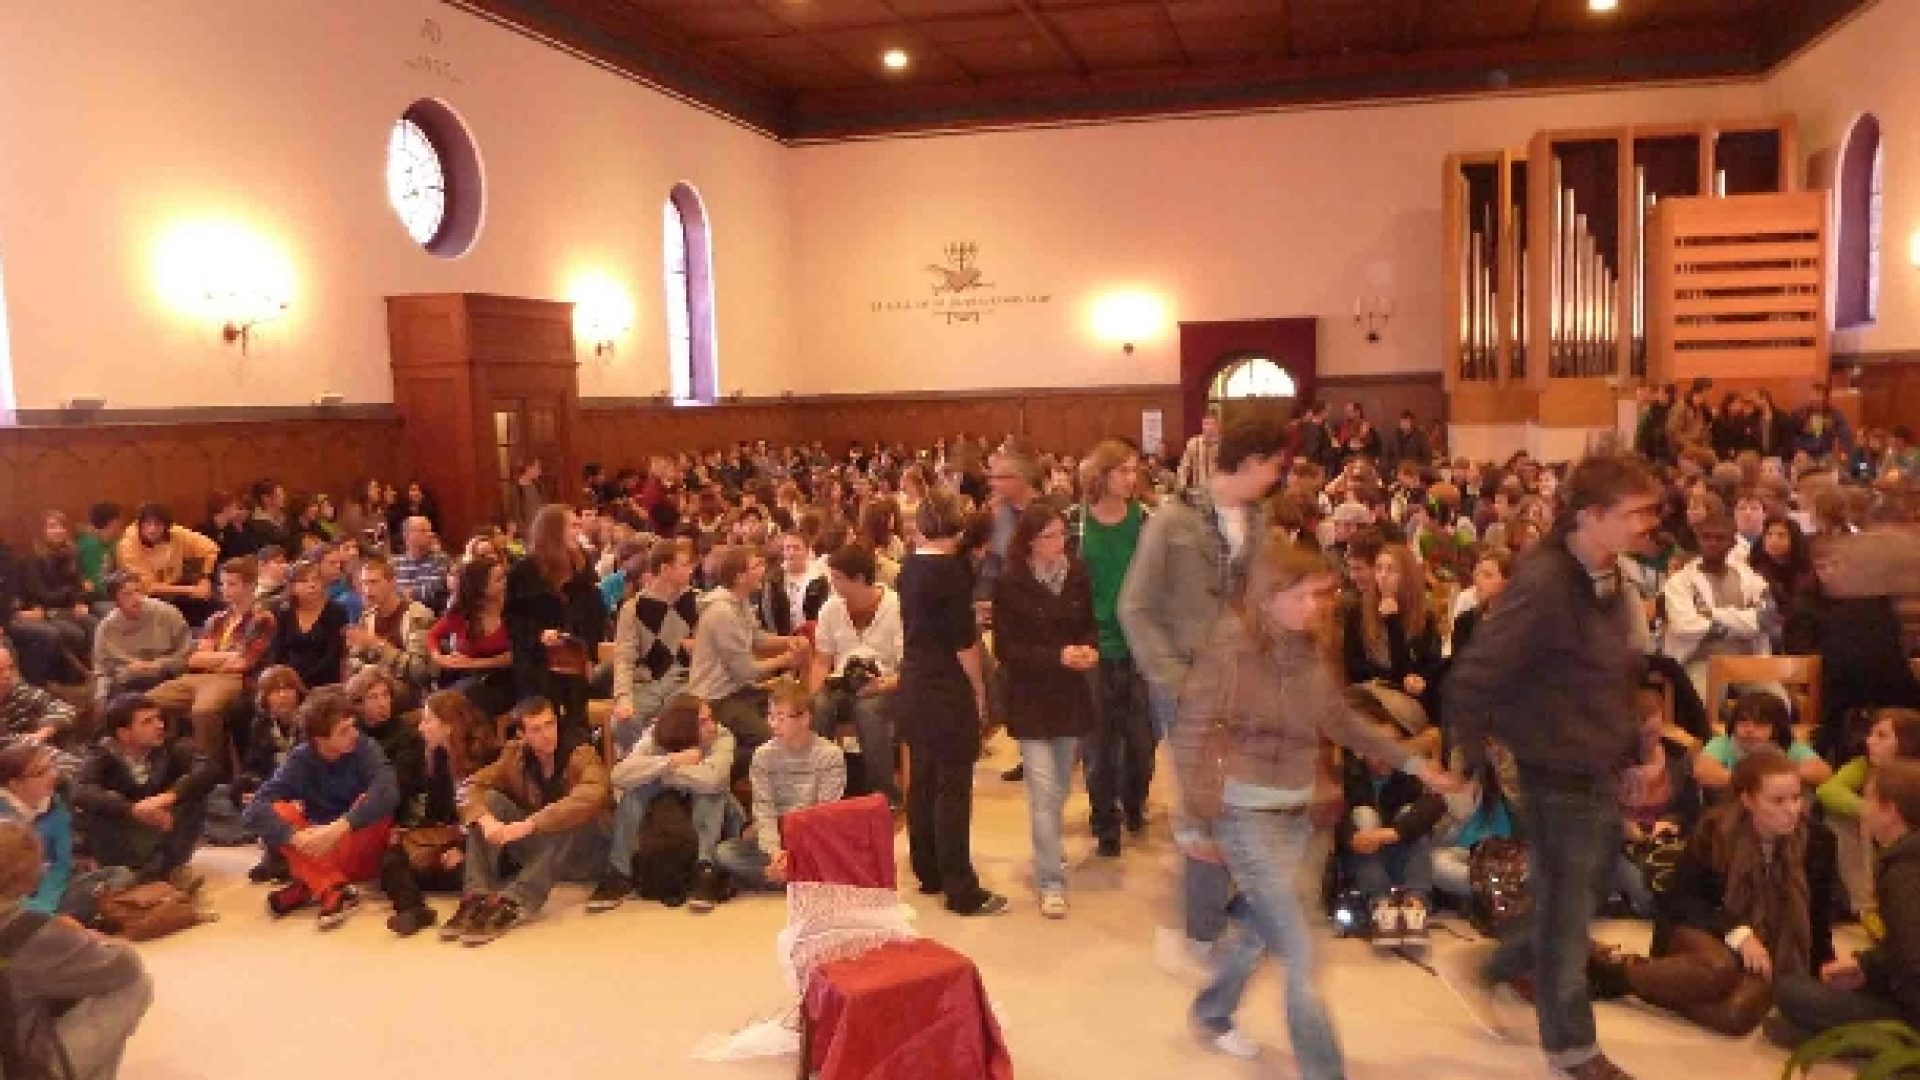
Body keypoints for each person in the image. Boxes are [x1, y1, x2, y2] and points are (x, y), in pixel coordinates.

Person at [1172, 535, 1459, 1067]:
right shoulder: (1230, 647)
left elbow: (1343, 722)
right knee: (1301, 952)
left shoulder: (1310, 647)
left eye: (1320, 596)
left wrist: (1417, 765)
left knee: (1261, 930)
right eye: (1302, 596)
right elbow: (1190, 730)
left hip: (1299, 819)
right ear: (1268, 595)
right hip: (1243, 815)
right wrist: (1190, 823)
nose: (1315, 608)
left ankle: (1213, 1011)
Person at [1445, 453, 1662, 1080]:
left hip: (1594, 761)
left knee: (1585, 892)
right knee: (1568, 915)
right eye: (1635, 513)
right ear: (1590, 517)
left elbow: (1613, 676)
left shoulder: (1610, 576)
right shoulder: (1543, 583)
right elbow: (1476, 674)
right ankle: (1573, 1050)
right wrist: (1468, 759)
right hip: (1551, 767)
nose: (1648, 524)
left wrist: (1632, 752)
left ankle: (1501, 962)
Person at [1118, 416, 1283, 972]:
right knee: (1205, 804)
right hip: (1189, 688)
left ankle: (1229, 907)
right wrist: (1176, 680)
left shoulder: (1262, 522)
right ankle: (1204, 928)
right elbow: (1134, 608)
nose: (1277, 476)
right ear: (1251, 461)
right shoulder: (1171, 521)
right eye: (1274, 465)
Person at [1588, 749, 1837, 1037]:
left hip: (1770, 948)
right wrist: (1739, 933)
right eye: (1778, 801)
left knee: (1737, 1013)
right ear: (1747, 799)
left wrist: (1825, 968)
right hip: (1702, 928)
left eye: (1797, 797)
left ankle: (1642, 976)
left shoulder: (1819, 842)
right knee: (1719, 969)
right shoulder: (1714, 830)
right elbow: (1679, 901)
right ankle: (1614, 975)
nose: (1793, 809)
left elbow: (1817, 915)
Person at [898, 490, 1007, 917]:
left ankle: (928, 871)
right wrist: (979, 690)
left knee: (922, 782)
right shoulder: (950, 573)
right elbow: (965, 643)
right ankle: (961, 888)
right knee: (953, 790)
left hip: (914, 679)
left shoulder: (909, 565)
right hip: (946, 684)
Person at [993, 504, 1097, 918]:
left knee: (1058, 789)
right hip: (1031, 696)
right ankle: (1050, 880)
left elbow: (1088, 624)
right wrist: (1058, 656)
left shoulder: (1078, 574)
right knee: (1041, 790)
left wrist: (1087, 649)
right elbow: (1006, 649)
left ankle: (1048, 849)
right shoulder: (1010, 583)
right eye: (1051, 535)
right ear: (1031, 542)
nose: (1061, 543)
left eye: (1062, 535)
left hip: (1070, 694)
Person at [1770, 758, 1920, 1043]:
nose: (1863, 809)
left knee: (1789, 991)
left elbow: (1913, 962)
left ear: (1891, 811)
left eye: (1868, 800)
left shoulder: (1905, 871)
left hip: (1911, 1012)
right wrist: (1865, 967)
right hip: (1901, 984)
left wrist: (1874, 976)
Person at [0, 819, 154, 1080]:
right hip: (18, 1066)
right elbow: (125, 967)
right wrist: (86, 940)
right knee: (137, 984)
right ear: (28, 876)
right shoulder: (30, 933)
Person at [451, 696, 609, 944]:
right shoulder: (515, 757)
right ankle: (477, 896)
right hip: (541, 851)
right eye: (537, 729)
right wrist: (485, 820)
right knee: (489, 801)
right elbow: (469, 787)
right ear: (522, 735)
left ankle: (514, 902)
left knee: (569, 815)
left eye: (550, 724)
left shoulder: (582, 753)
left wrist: (532, 823)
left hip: (585, 852)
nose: (547, 734)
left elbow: (592, 794)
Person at [241, 686, 399, 928]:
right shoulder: (301, 759)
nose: (354, 734)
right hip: (317, 846)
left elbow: (388, 792)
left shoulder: (365, 748)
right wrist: (293, 837)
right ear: (320, 739)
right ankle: (331, 887)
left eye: (353, 725)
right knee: (280, 810)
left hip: (357, 838)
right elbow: (254, 809)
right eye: (344, 731)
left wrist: (339, 827)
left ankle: (313, 884)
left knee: (370, 800)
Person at [1074, 438, 1154, 855]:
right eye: (1122, 470)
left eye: (1134, 469)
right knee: (1098, 745)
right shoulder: (1078, 524)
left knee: (1141, 741)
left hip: (1140, 648)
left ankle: (1134, 800)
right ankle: (1105, 820)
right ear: (1100, 476)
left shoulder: (1145, 521)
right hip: (1095, 647)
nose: (1131, 477)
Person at [594, 694, 738, 912]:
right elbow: (619, 775)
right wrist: (671, 761)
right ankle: (618, 872)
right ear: (682, 727)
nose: (712, 726)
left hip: (720, 813)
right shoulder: (654, 736)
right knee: (635, 790)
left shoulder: (722, 735)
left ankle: (705, 869)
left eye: (711, 718)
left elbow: (715, 779)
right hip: (671, 809)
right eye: (703, 721)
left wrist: (663, 775)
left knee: (709, 791)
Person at [379, 690, 496, 936]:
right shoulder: (436, 759)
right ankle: (412, 909)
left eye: (427, 720)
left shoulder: (486, 758)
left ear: (449, 726)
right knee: (391, 859)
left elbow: (492, 814)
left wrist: (463, 849)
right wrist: (410, 831)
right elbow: (437, 815)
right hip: (451, 838)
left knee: (462, 869)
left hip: (486, 843)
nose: (421, 728)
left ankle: (477, 900)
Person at [72, 694, 217, 891]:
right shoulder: (101, 754)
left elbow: (207, 768)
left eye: (158, 718)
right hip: (124, 832)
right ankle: (135, 873)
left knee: (196, 794)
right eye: (147, 722)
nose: (159, 725)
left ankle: (169, 869)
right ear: (124, 734)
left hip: (161, 822)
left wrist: (169, 796)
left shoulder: (170, 745)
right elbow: (81, 790)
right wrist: (132, 809)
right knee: (99, 806)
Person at [713, 679, 846, 893]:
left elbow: (824, 814)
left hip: (811, 837)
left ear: (804, 718)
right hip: (776, 836)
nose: (773, 724)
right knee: (725, 852)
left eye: (781, 718)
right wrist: (775, 852)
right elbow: (764, 811)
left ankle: (782, 877)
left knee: (838, 851)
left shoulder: (829, 755)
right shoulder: (763, 755)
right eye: (770, 716)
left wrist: (793, 851)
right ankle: (797, 878)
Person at [687, 545, 809, 777]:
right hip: (716, 698)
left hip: (739, 691)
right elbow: (746, 670)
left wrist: (789, 641)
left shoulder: (739, 602)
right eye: (756, 566)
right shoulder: (722, 611)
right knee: (771, 737)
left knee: (796, 712)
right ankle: (716, 769)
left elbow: (756, 638)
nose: (763, 569)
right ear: (740, 577)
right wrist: (786, 659)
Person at [148, 556, 275, 771]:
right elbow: (196, 659)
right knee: (148, 702)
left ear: (251, 586)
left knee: (203, 711)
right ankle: (164, 764)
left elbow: (243, 663)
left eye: (232, 584)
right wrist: (227, 656)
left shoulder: (262, 618)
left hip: (235, 680)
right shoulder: (217, 619)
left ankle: (208, 772)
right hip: (202, 676)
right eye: (222, 583)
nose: (224, 589)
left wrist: (217, 658)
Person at [808, 542, 904, 804]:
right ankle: (819, 789)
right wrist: (811, 696)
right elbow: (821, 661)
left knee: (869, 709)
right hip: (842, 684)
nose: (833, 583)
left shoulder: (896, 607)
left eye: (838, 578)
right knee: (818, 706)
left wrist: (881, 685)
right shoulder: (831, 609)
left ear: (860, 579)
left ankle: (882, 794)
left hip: (888, 686)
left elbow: (909, 666)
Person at [0, 741, 130, 921]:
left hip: (54, 890)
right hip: (13, 904)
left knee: (119, 874)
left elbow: (61, 864)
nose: (53, 775)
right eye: (41, 773)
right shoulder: (5, 823)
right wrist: (40, 912)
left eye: (51, 768)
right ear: (14, 784)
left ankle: (66, 921)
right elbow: (7, 885)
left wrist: (49, 903)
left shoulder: (54, 804)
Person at [504, 505, 606, 735]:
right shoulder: (524, 571)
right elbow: (512, 619)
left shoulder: (581, 565)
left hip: (574, 659)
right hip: (537, 661)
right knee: (543, 714)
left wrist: (589, 654)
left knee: (576, 720)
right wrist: (539, 635)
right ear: (553, 530)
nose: (577, 531)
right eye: (572, 525)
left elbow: (594, 615)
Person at [1815, 708, 1920, 920]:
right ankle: (1865, 905)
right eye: (1871, 734)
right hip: (1877, 839)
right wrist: (1869, 811)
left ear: (1906, 741)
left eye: (1881, 735)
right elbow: (1826, 790)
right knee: (1840, 819)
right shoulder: (1862, 766)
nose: (1870, 741)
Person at [1612, 680, 1705, 918]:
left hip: (1666, 840)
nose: (1649, 741)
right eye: (1641, 735)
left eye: (1655, 732)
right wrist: (1621, 826)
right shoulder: (1607, 760)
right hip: (1619, 845)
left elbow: (1692, 810)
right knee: (1638, 883)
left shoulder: (1678, 756)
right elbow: (1593, 810)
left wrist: (1671, 821)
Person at [1661, 512, 1774, 705]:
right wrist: (1743, 623)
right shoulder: (1679, 582)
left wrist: (1712, 615)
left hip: (1746, 660)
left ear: (1732, 543)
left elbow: (1766, 619)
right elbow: (1684, 627)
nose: (1712, 543)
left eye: (1720, 538)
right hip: (1700, 660)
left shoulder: (1751, 579)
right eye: (1706, 537)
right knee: (1701, 705)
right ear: (1698, 540)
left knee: (1778, 705)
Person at [610, 540, 700, 752]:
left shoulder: (696, 601)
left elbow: (708, 648)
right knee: (622, 723)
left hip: (684, 682)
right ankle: (648, 769)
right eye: (685, 564)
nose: (691, 569)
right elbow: (624, 658)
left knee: (677, 722)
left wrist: (698, 646)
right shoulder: (633, 608)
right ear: (666, 569)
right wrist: (623, 697)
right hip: (647, 683)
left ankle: (663, 769)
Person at [428, 555, 516, 720]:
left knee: (458, 701)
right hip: (470, 677)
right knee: (446, 702)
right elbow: (433, 635)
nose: (506, 582)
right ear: (481, 588)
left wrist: (472, 662)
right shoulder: (463, 612)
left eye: (504, 576)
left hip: (506, 679)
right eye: (499, 579)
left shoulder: (513, 611)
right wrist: (439, 657)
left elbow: (516, 655)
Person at [345, 553, 437, 707]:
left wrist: (379, 645)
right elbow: (354, 660)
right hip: (373, 685)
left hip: (410, 690)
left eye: (373, 582)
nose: (367, 590)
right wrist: (371, 671)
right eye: (363, 584)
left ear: (391, 583)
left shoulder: (418, 615)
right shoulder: (367, 617)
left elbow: (421, 672)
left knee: (367, 699)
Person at [1694, 691, 1830, 793]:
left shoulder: (1788, 746)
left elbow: (1822, 772)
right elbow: (1703, 770)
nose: (1749, 730)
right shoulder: (1724, 743)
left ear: (1777, 728)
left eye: (1760, 724)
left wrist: (1776, 777)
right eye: (1742, 722)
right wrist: (1754, 780)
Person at [18, 510, 97, 684]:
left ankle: (96, 671)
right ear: (42, 532)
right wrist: (72, 592)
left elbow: (81, 586)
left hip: (66, 607)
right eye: (52, 526)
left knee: (91, 622)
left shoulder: (70, 553)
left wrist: (78, 601)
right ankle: (72, 676)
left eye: (62, 526)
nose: (59, 530)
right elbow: (42, 596)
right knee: (73, 633)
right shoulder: (33, 559)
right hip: (45, 610)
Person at [91, 573, 191, 702]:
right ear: (115, 601)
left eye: (138, 591)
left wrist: (159, 664)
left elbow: (186, 655)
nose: (136, 598)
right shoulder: (107, 627)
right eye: (127, 594)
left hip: (167, 675)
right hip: (125, 681)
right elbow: (102, 670)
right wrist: (100, 699)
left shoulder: (167, 613)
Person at [114, 502, 220, 622]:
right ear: (139, 524)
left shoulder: (176, 533)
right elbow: (147, 586)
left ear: (166, 526)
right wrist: (192, 589)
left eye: (157, 524)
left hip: (176, 587)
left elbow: (210, 548)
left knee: (215, 605)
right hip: (146, 597)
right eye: (147, 524)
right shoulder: (128, 545)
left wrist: (204, 578)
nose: (152, 530)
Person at [268, 558, 348, 690]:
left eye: (315, 580)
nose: (312, 585)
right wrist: (288, 680)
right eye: (304, 581)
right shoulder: (284, 613)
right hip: (287, 683)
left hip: (324, 682)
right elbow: (277, 653)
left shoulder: (336, 612)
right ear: (292, 587)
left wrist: (302, 682)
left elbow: (333, 655)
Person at [0, 641, 77, 746]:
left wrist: (41, 734)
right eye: (1, 670)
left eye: (10, 667)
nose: (7, 675)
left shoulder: (19, 691)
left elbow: (65, 709)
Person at [758, 529, 829, 636]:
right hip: (780, 639)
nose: (791, 553)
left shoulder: (819, 578)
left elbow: (824, 614)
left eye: (796, 548)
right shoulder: (772, 578)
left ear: (807, 551)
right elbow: (766, 613)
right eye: (787, 548)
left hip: (813, 637)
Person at [391, 515, 451, 613]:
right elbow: (388, 593)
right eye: (424, 531)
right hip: (399, 618)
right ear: (407, 535)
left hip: (428, 619)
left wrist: (404, 593)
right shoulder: (395, 563)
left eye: (430, 530)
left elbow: (432, 592)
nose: (430, 534)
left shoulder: (440, 560)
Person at [1176, 411, 1221, 493]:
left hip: (1218, 491)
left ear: (1218, 426)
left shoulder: (1224, 445)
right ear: (1202, 426)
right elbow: (1184, 467)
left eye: (1212, 424)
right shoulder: (1193, 443)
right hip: (1198, 490)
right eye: (1206, 424)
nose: (1209, 427)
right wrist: (1182, 486)